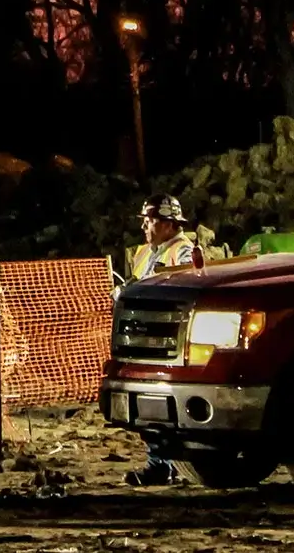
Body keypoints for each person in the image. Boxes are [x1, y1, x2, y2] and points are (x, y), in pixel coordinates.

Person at [124, 194, 202, 488]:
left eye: (151, 220)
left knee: (160, 406)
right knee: (149, 408)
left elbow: (188, 279)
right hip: (147, 339)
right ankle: (160, 463)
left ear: (169, 224)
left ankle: (163, 465)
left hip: (169, 341)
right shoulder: (146, 253)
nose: (146, 226)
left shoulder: (183, 251)